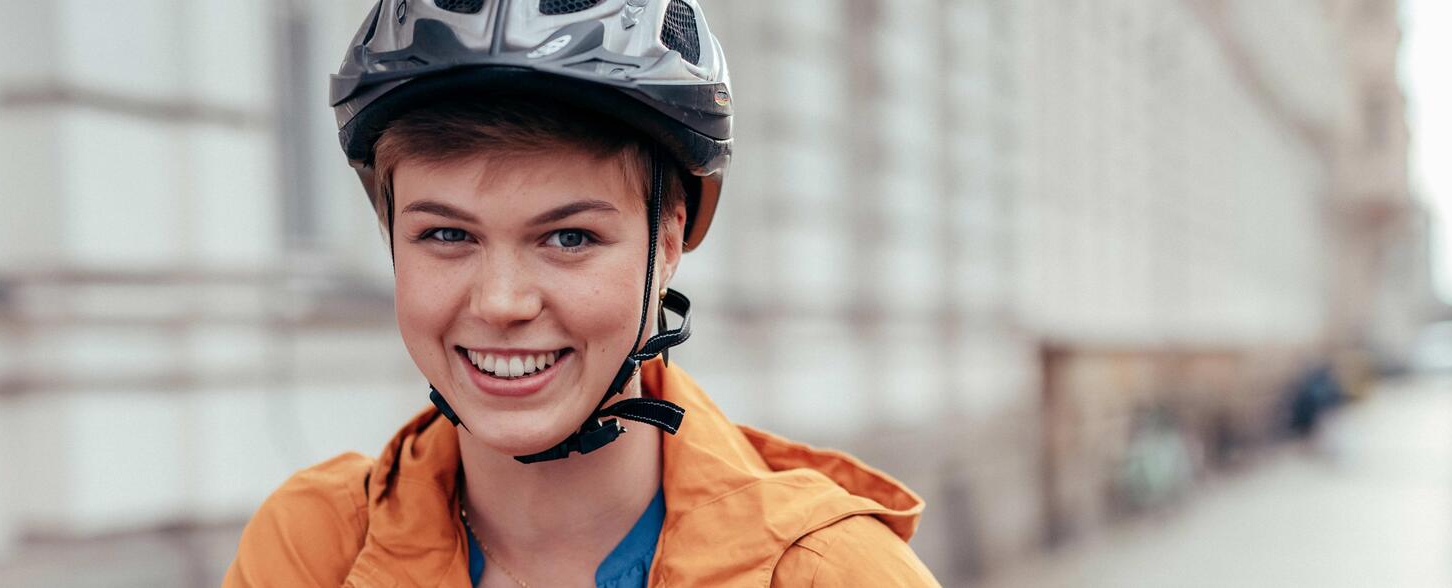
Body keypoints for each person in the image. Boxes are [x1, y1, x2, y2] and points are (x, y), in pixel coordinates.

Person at [224, 1, 938, 585]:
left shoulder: (833, 575)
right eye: (446, 235)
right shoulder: (310, 551)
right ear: (389, 236)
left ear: (667, 241)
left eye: (568, 238)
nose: (502, 303)